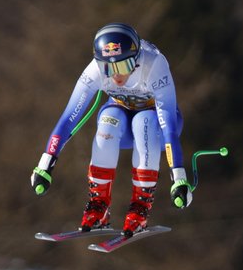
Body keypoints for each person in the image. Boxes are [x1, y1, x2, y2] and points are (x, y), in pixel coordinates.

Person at [30, 22, 192, 237]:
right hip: (121, 118)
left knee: (144, 121)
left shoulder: (154, 65)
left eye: (123, 66)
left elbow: (169, 127)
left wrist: (178, 177)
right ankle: (99, 204)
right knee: (108, 118)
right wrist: (45, 165)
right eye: (108, 67)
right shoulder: (95, 70)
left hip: (157, 127)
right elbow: (69, 118)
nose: (116, 76)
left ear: (136, 59)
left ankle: (140, 206)